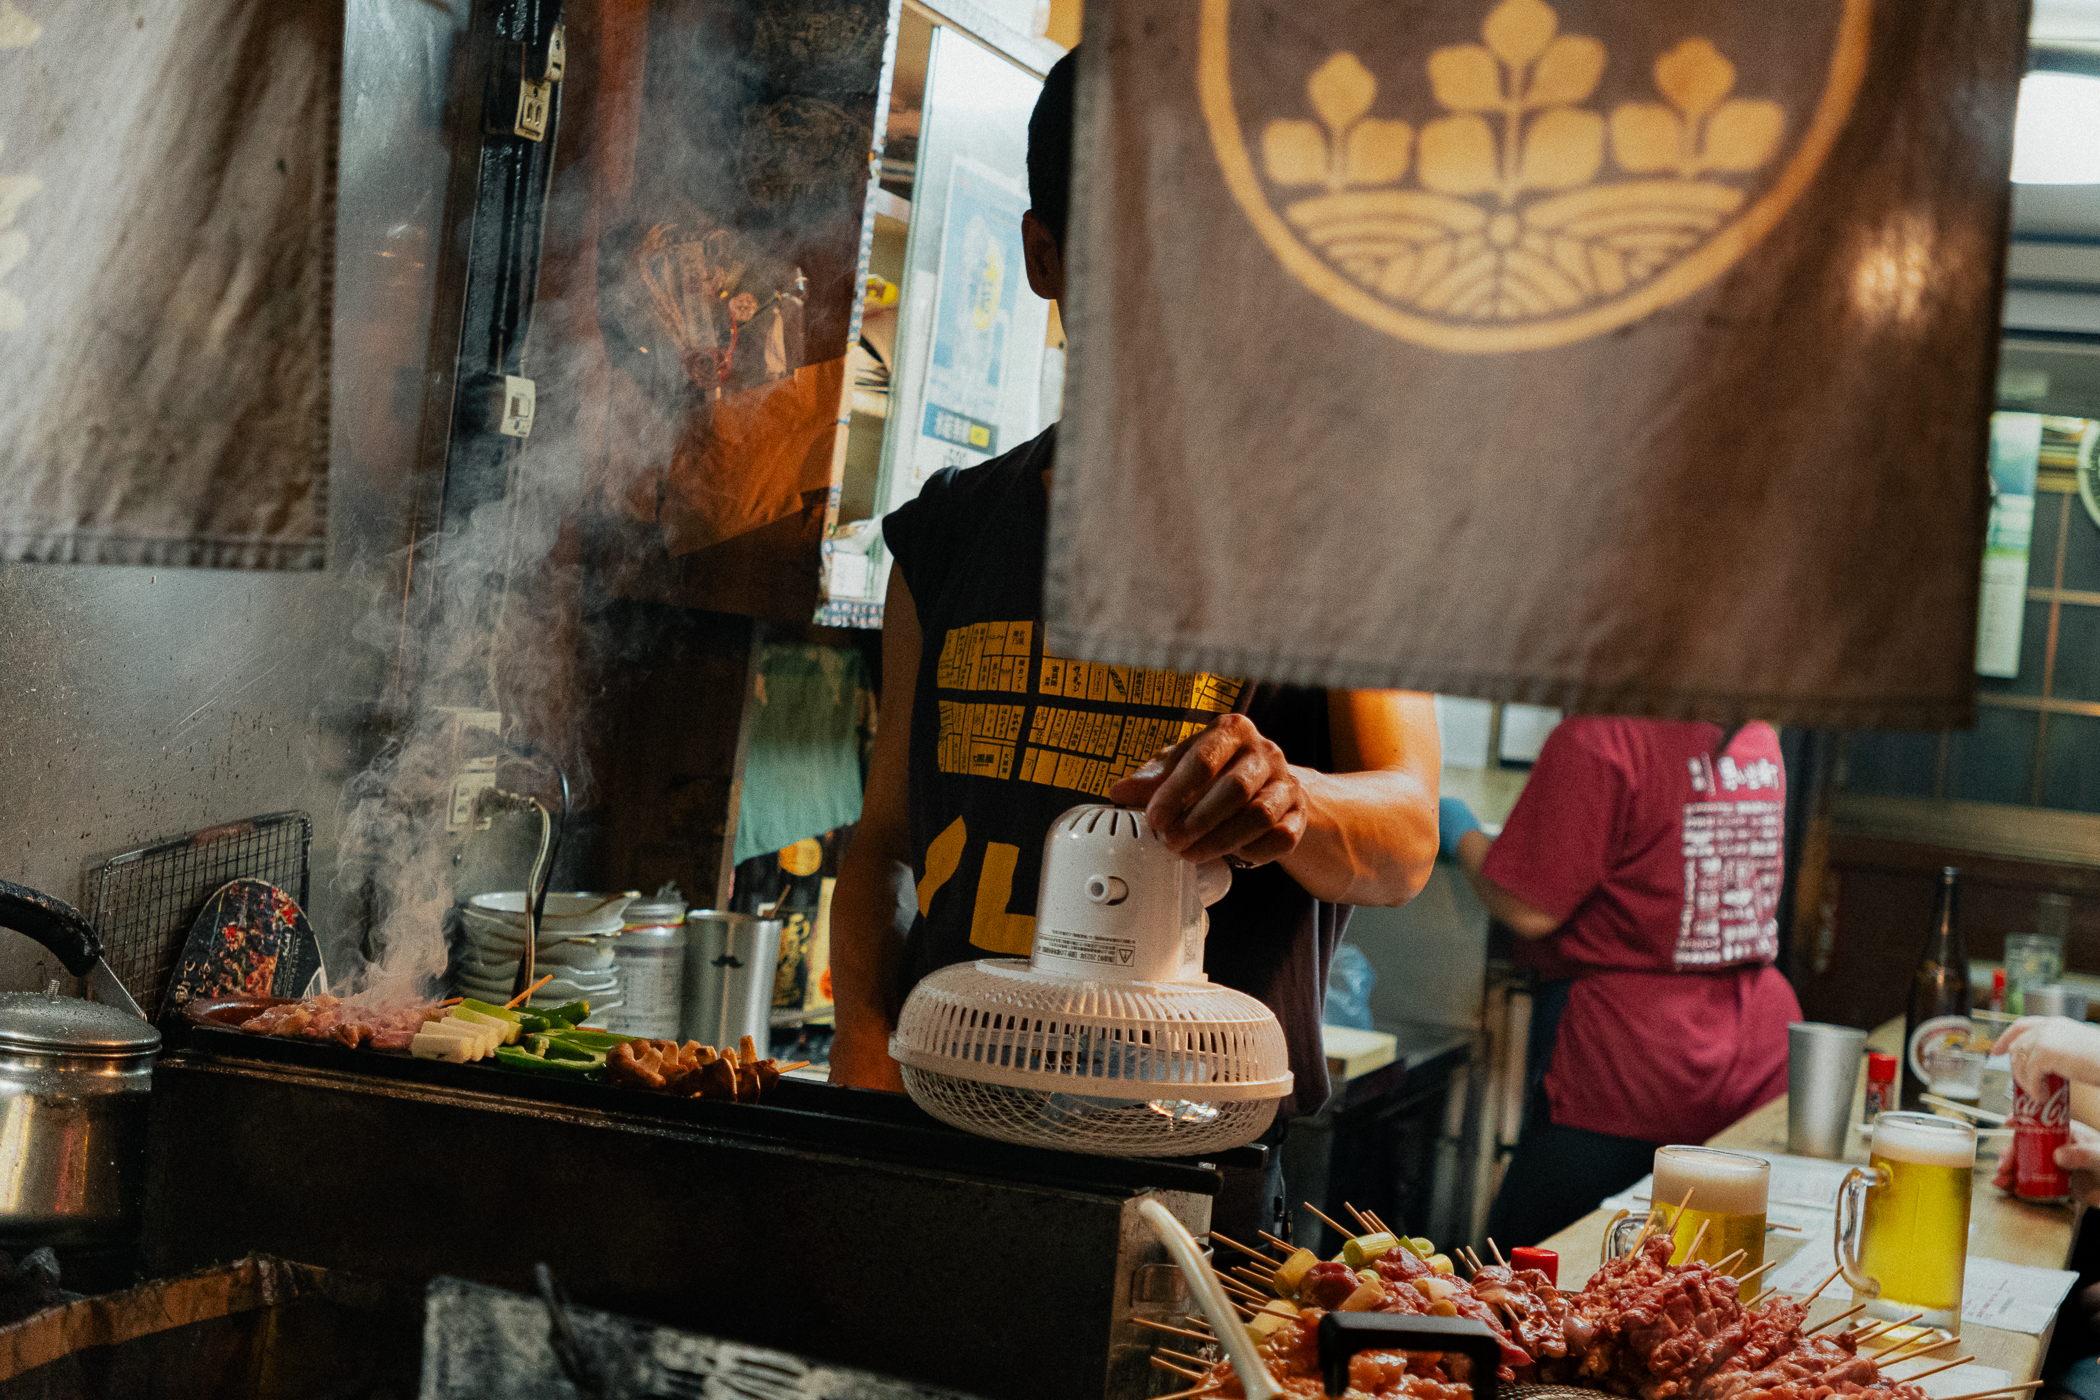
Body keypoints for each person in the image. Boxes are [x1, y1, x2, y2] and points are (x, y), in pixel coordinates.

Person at [827, 50, 1442, 1181]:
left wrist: (1292, 796)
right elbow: (883, 845)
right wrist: (864, 1065)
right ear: (1046, 257)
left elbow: (1406, 834)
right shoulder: (948, 536)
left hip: (1197, 1166)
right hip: (942, 1134)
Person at [1440, 717, 1802, 1248]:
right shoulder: (1757, 734)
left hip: (1627, 1066)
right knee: (1705, 1280)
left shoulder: (1603, 737)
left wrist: (1458, 832)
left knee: (1535, 1273)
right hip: (1754, 1056)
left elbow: (1528, 906)